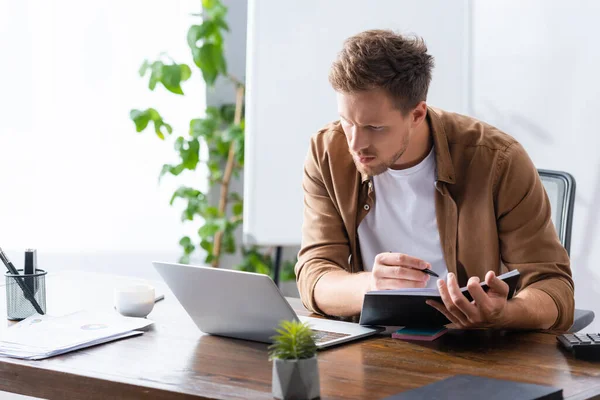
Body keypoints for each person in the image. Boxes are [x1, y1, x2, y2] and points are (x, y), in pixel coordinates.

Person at [295, 30, 574, 331]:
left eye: (375, 127)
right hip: (372, 345)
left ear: (417, 114)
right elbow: (315, 274)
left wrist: (505, 313)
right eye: (346, 122)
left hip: (474, 349)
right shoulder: (327, 152)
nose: (356, 143)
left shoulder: (498, 159)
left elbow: (554, 288)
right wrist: (371, 286)